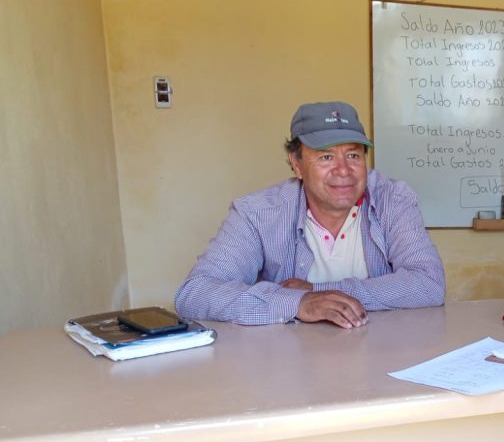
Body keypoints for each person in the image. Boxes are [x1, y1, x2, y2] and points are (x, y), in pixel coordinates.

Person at [175, 101, 445, 327]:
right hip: (288, 367)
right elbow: (195, 294)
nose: (343, 170)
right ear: (297, 164)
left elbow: (428, 284)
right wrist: (298, 303)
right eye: (326, 157)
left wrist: (316, 292)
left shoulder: (392, 199)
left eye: (353, 155)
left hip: (382, 358)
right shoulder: (257, 214)